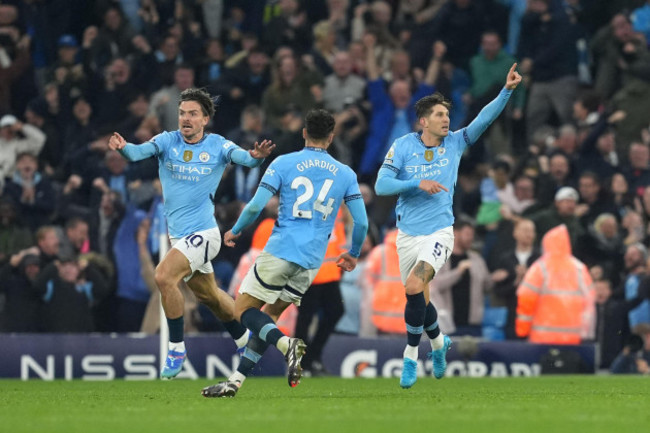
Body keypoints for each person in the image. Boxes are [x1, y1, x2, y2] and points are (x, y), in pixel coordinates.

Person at [108, 87, 275, 379]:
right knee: (209, 296)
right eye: (182, 113)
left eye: (192, 114)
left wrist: (257, 157)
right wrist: (124, 147)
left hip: (205, 234)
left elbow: (246, 159)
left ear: (205, 119)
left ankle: (175, 347)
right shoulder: (166, 141)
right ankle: (244, 340)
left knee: (163, 276)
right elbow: (137, 153)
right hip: (179, 237)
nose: (186, 118)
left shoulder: (218, 146)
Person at [374, 63, 522, 389]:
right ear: (423, 121)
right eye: (440, 115)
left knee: (414, 288)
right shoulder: (403, 146)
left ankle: (410, 357)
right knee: (420, 300)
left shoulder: (455, 143)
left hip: (440, 232)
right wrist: (416, 183)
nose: (446, 119)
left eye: (447, 114)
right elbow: (382, 186)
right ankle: (439, 343)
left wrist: (507, 90)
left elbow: (484, 118)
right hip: (408, 234)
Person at [201, 109, 368, 398]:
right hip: (312, 261)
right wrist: (353, 252)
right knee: (270, 318)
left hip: (281, 249)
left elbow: (254, 206)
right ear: (331, 137)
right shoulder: (346, 173)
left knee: (243, 311)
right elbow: (362, 222)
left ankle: (287, 346)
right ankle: (236, 381)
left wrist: (236, 230)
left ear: (304, 132)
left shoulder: (283, 163)